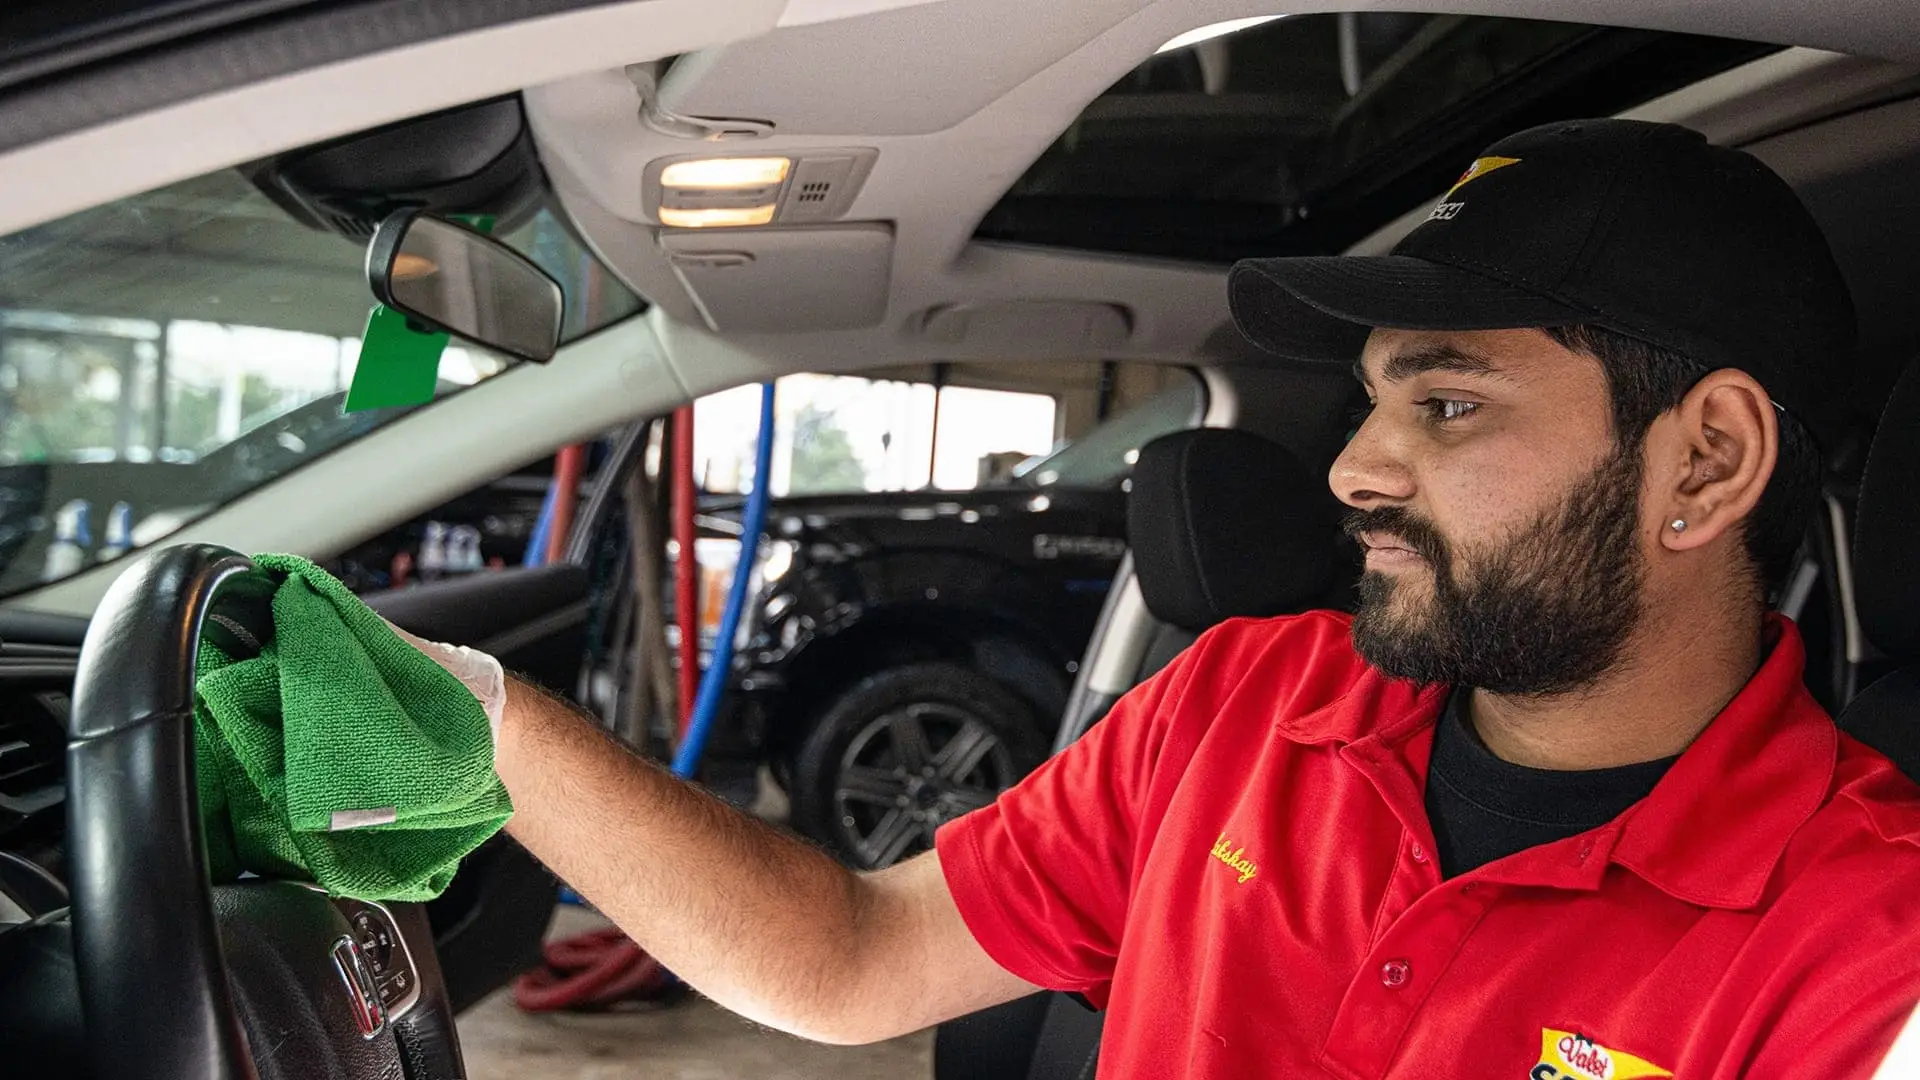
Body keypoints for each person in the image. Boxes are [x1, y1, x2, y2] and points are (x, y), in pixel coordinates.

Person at [470, 120, 1920, 1077]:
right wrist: (480, 729)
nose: (1355, 467)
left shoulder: (1870, 940)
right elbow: (856, 954)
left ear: (1708, 460)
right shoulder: (1253, 700)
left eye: (1452, 404)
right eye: (1370, 405)